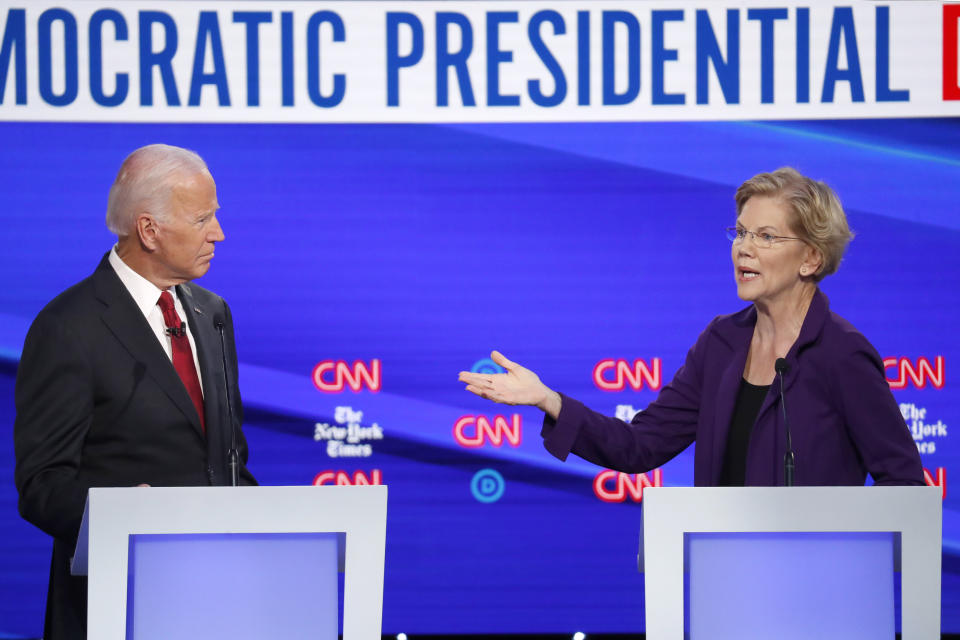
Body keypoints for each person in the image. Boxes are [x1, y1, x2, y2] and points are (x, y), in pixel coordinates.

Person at [459, 167, 923, 487]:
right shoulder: (722, 343)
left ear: (811, 258)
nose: (744, 248)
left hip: (818, 600)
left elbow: (902, 481)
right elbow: (639, 446)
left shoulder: (840, 353)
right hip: (722, 585)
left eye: (765, 236)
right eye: (740, 232)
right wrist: (548, 400)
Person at [14, 144, 257, 639]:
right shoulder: (69, 327)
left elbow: (228, 460)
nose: (219, 234)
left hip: (218, 601)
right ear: (149, 229)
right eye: (203, 218)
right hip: (116, 604)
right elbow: (42, 485)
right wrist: (121, 514)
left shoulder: (213, 314)